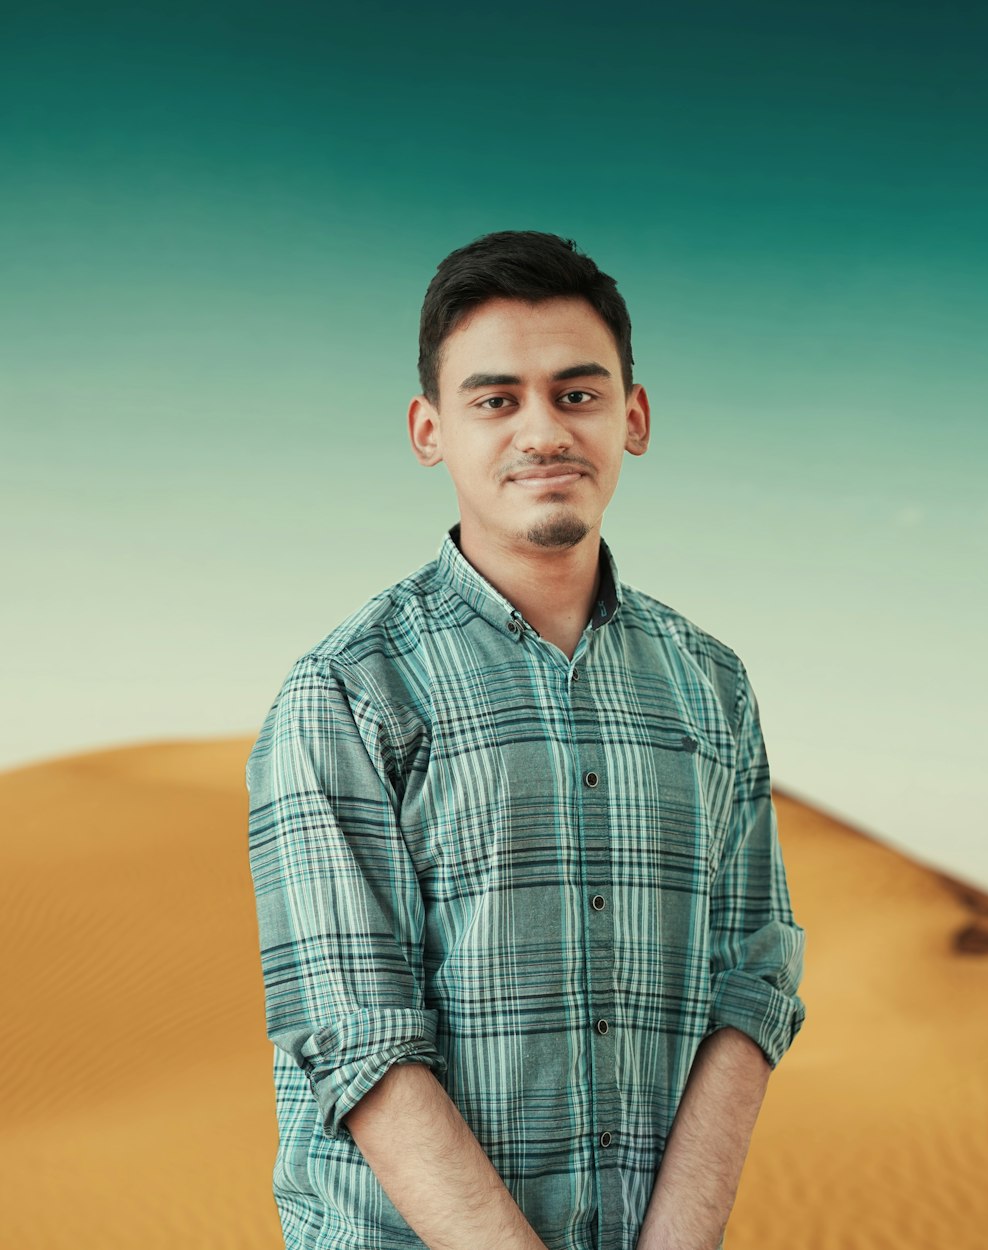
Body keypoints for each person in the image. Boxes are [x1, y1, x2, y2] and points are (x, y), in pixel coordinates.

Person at [246, 230, 805, 1250]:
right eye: (495, 399)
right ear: (430, 430)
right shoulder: (345, 693)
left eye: (577, 393)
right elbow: (358, 1037)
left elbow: (752, 976)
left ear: (632, 417)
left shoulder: (712, 686)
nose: (541, 428)